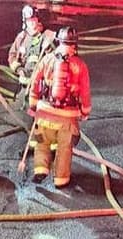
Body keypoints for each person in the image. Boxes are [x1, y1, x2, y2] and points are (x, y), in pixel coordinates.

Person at [27, 25, 91, 189]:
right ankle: (60, 180)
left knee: (42, 143)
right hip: (67, 119)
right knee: (64, 149)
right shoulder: (80, 65)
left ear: (58, 41)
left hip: (45, 113)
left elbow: (35, 82)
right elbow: (85, 92)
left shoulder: (47, 59)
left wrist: (33, 105)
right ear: (75, 44)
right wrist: (85, 112)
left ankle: (40, 169)